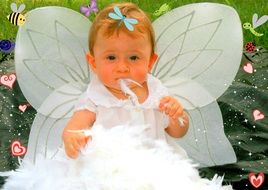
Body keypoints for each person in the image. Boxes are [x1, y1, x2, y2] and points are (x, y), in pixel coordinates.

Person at [62, 2, 189, 159]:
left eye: (134, 57)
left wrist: (177, 116)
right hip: (112, 169)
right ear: (94, 63)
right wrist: (73, 138)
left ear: (150, 62)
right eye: (111, 57)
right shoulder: (95, 97)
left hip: (156, 166)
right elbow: (75, 127)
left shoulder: (156, 92)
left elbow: (177, 133)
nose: (122, 67)